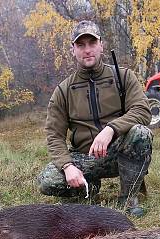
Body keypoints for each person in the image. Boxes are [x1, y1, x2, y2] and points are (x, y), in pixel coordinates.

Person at [37, 20, 153, 217]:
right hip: (85, 158)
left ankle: (128, 197)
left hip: (120, 153)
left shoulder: (123, 77)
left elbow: (143, 111)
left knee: (141, 133)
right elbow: (54, 135)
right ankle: (88, 186)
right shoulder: (63, 91)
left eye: (92, 43)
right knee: (46, 180)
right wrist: (68, 166)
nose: (87, 50)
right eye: (81, 45)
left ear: (101, 46)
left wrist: (111, 129)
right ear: (73, 49)